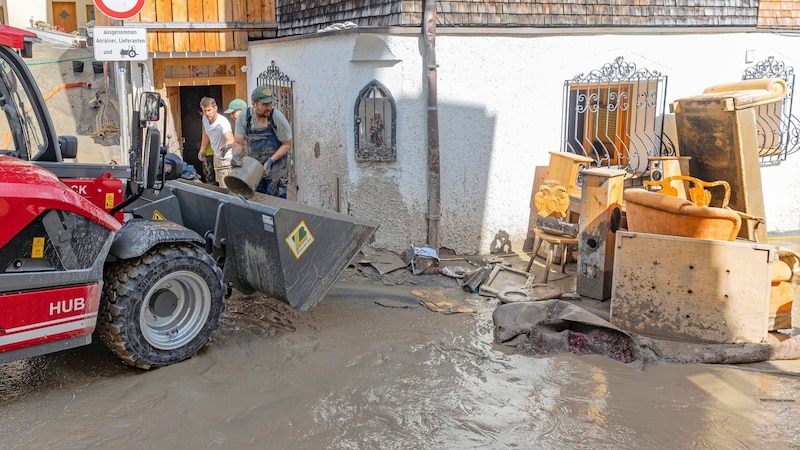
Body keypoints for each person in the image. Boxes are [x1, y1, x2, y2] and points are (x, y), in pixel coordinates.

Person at [230, 87, 292, 198]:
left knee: (275, 202)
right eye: (265, 104)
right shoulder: (244, 117)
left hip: (276, 167)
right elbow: (238, 143)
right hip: (254, 167)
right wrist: (235, 156)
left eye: (270, 103)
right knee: (256, 200)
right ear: (254, 104)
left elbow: (287, 144)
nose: (269, 107)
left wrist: (270, 161)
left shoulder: (276, 117)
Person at [197, 97, 234, 188]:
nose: (207, 113)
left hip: (226, 159)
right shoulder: (205, 119)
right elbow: (206, 133)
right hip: (216, 156)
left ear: (215, 108)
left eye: (209, 110)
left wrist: (226, 145)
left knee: (226, 187)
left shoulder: (222, 123)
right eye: (204, 111)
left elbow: (231, 139)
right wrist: (202, 149)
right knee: (219, 184)